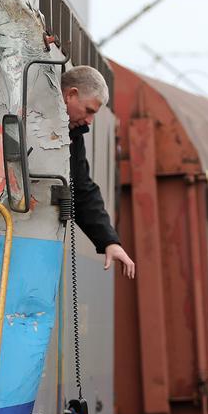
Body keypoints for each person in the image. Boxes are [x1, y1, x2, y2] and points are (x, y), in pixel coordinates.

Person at [62, 65, 135, 279]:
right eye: (89, 111)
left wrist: (109, 241)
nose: (89, 121)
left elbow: (82, 190)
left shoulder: (73, 137)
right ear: (71, 95)